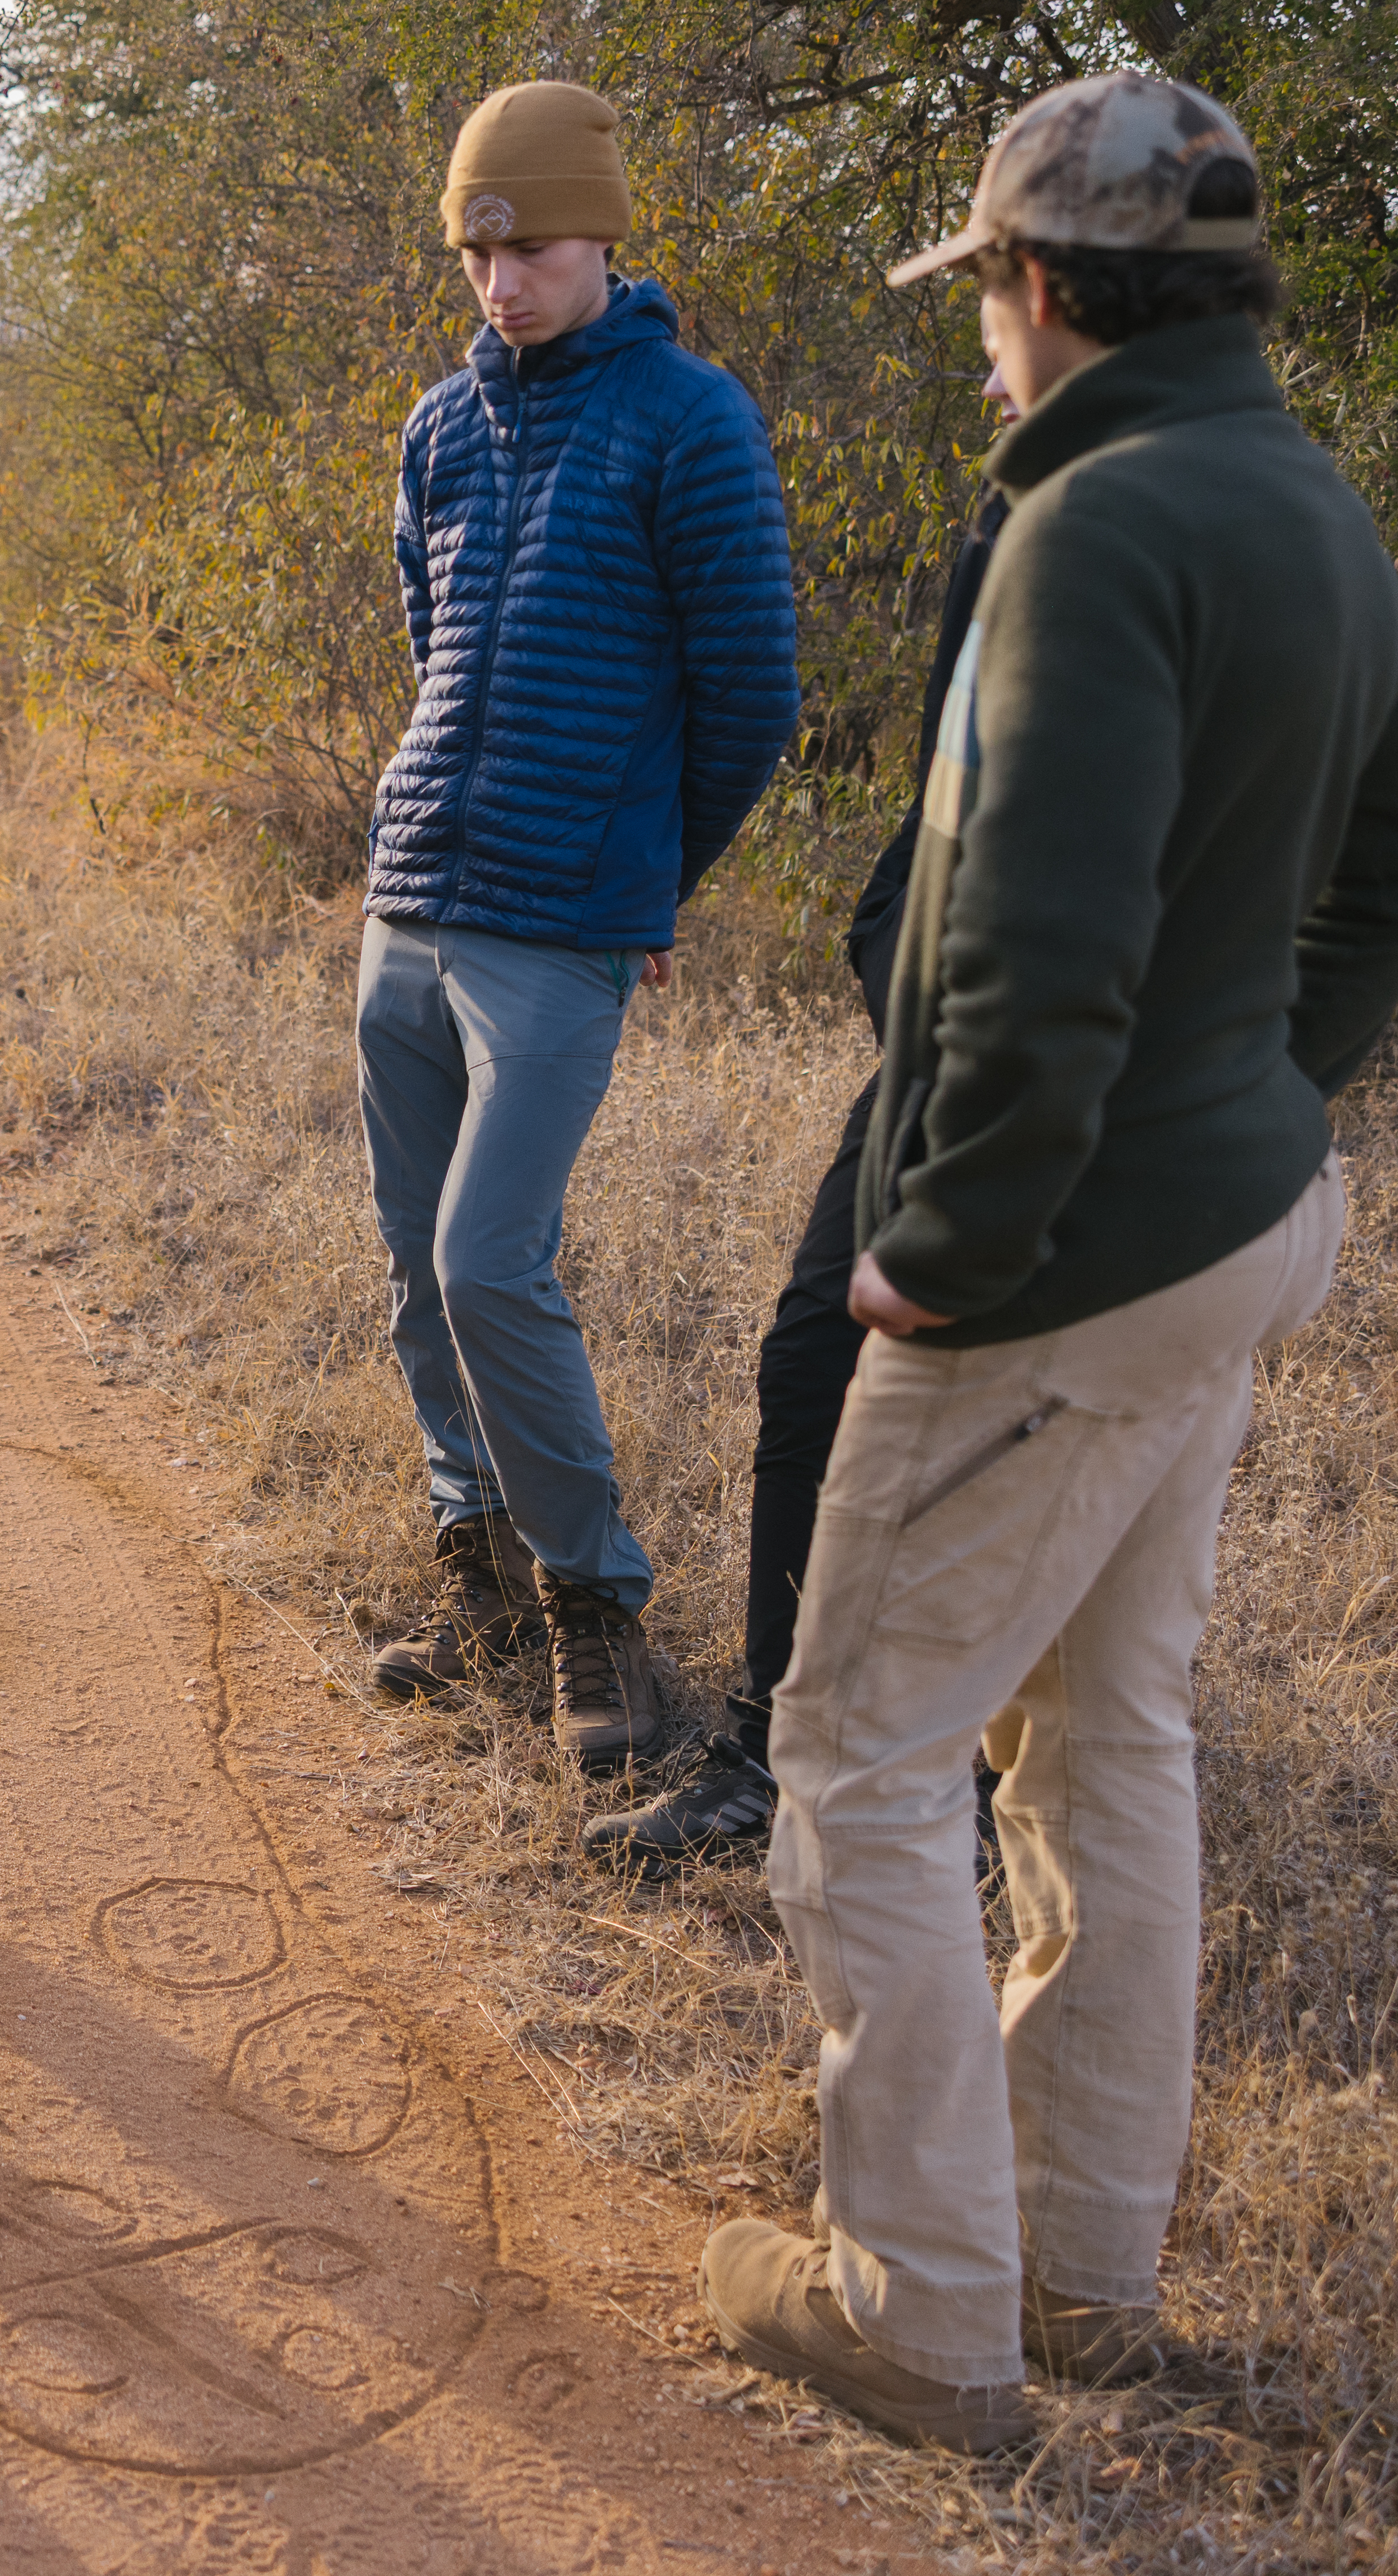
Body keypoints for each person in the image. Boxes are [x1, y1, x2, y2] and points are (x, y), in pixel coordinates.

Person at [699, 76, 1398, 2447]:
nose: (980, 344)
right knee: (1111, 1731)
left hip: (1066, 1265)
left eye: (983, 300)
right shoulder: (1300, 496)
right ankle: (1085, 2264)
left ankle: (927, 2316)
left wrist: (949, 1245)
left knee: (856, 1755)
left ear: (1036, 290)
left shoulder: (1097, 520)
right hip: (1235, 1220)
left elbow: (1034, 957)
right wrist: (1257, 1087)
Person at [356, 79, 800, 1779]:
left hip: (558, 927)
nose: (497, 277)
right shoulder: (442, 426)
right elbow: (431, 630)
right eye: (475, 246)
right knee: (415, 1271)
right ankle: (470, 1573)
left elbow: (752, 692)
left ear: (601, 231)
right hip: (411, 902)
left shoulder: (691, 419)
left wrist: (645, 881)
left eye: (527, 242)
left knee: (490, 1262)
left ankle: (592, 1611)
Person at [585, 478, 1007, 1875]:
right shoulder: (1013, 506)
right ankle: (768, 1750)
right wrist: (896, 949)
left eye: (1010, 293)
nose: (991, 355)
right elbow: (954, 787)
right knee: (814, 1362)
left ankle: (973, 1792)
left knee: (1008, 1418)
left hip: (1082, 1072)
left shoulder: (1206, 522)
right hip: (945, 1045)